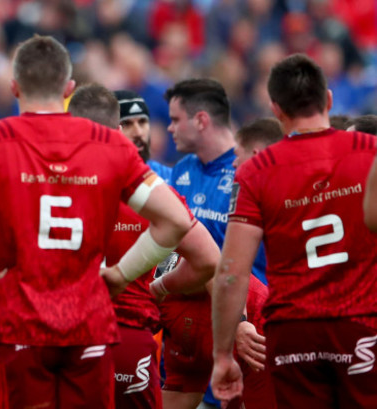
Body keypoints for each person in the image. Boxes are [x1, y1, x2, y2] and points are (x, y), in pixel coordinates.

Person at [0, 35, 194, 409]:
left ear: (15, 86)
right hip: (89, 325)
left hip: (14, 327)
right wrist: (120, 275)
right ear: (69, 88)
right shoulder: (110, 145)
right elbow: (176, 221)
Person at [212, 53, 377, 408]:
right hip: (360, 323)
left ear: (276, 110)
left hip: (294, 333)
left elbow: (230, 273)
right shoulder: (369, 150)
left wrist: (223, 354)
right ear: (328, 100)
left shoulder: (256, 171)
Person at [68, 83, 220, 409]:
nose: (137, 132)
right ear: (114, 128)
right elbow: (209, 258)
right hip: (129, 338)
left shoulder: (39, 179)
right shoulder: (151, 192)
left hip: (60, 341)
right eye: (128, 124)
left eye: (143, 122)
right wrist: (155, 286)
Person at [161, 78, 268, 409]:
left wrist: (239, 322)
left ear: (201, 120)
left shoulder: (247, 170)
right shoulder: (180, 171)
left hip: (246, 327)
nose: (168, 128)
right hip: (188, 331)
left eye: (176, 119)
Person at [228, 118, 282, 409]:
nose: (233, 167)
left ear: (258, 155)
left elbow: (233, 267)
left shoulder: (253, 199)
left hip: (269, 326)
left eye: (237, 157)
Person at [114, 90, 172, 182]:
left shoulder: (168, 177)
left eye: (142, 122)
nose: (138, 132)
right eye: (126, 124)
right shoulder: (94, 179)